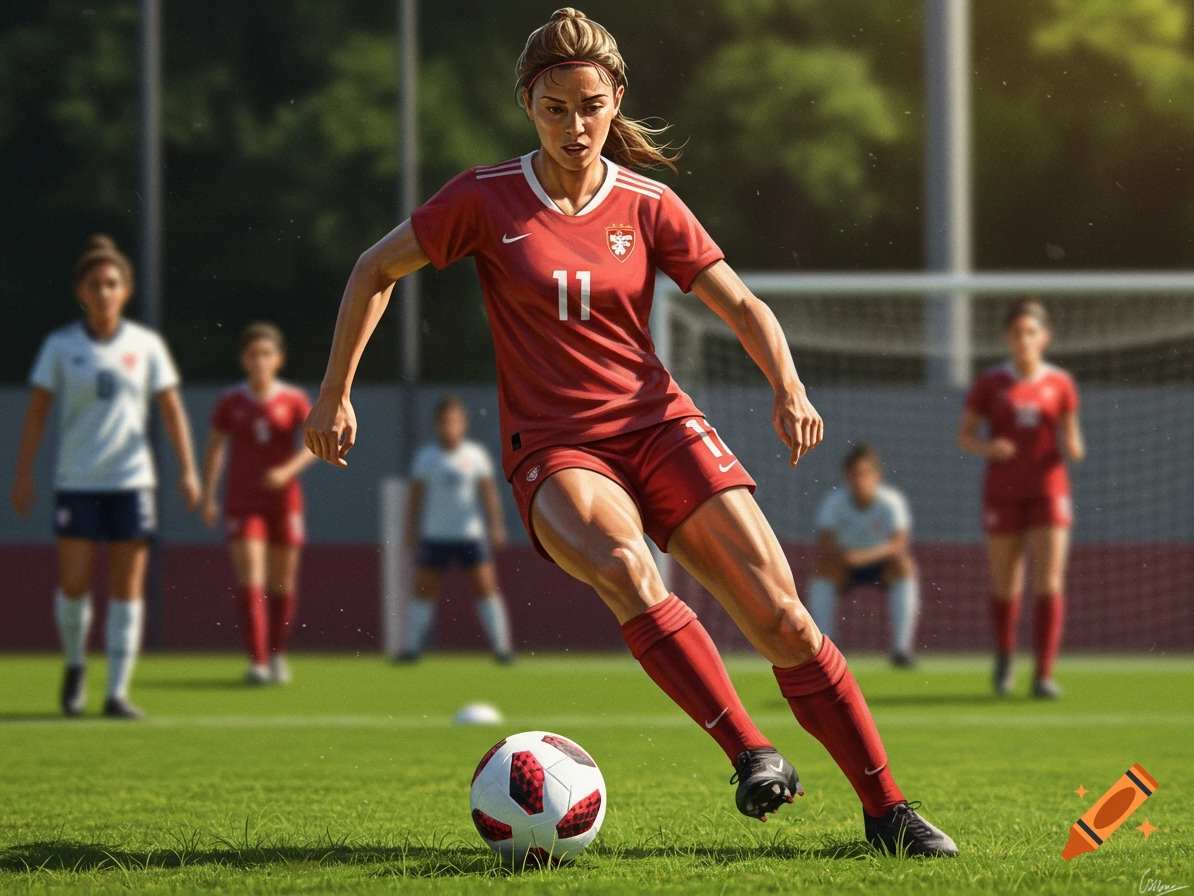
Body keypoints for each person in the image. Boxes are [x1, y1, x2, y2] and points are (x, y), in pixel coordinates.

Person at [303, 8, 957, 856]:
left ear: (615, 100)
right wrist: (335, 395)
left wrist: (789, 387)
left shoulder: (650, 204)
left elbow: (742, 304)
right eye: (554, 108)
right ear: (526, 105)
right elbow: (374, 269)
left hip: (660, 426)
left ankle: (889, 812)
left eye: (590, 106)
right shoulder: (483, 197)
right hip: (555, 447)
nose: (574, 126)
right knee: (624, 564)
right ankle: (750, 752)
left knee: (785, 622)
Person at [11, 235, 199, 719]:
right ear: (81, 291)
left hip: (131, 481)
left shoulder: (146, 345)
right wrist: (23, 473)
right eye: (94, 285)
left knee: (126, 587)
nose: (103, 292)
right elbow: (37, 411)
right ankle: (75, 664)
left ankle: (117, 692)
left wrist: (188, 469)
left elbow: (171, 409)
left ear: (126, 291)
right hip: (77, 480)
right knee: (74, 583)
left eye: (112, 284)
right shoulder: (60, 346)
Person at [957, 298, 1084, 699]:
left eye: (1031, 332)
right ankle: (1005, 655)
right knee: (1006, 583)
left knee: (1049, 580)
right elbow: (964, 435)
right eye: (1017, 332)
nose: (1024, 339)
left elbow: (1072, 438)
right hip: (1003, 490)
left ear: (1044, 337)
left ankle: (1043, 674)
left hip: (1049, 489)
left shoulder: (1060, 383)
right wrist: (988, 447)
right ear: (1007, 337)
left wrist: (1074, 447)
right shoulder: (991, 382)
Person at [200, 323, 314, 685]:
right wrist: (208, 494)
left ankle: (277, 653)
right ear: (243, 360)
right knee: (251, 575)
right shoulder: (230, 401)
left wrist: (286, 471)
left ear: (279, 359)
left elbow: (314, 443)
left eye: (266, 354)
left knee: (283, 581)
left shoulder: (293, 399)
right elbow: (215, 447)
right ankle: (258, 661)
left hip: (285, 502)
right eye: (253, 354)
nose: (260, 361)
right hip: (243, 502)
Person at [400, 394, 513, 663]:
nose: (450, 425)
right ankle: (410, 649)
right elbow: (415, 497)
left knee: (486, 588)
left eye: (454, 420)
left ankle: (503, 649)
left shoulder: (475, 455)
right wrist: (410, 530)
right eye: (444, 421)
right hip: (435, 535)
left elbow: (489, 494)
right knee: (423, 590)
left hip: (470, 535)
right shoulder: (427, 457)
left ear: (463, 423)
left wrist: (497, 527)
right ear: (437, 424)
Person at [809, 444, 919, 667]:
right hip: (844, 563)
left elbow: (899, 543)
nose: (860, 479)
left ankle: (901, 650)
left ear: (877, 476)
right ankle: (824, 650)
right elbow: (826, 543)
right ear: (846, 476)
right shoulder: (834, 502)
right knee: (822, 569)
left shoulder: (891, 502)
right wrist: (846, 557)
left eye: (865, 473)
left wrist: (864, 557)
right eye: (855, 474)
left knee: (904, 567)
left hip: (881, 565)